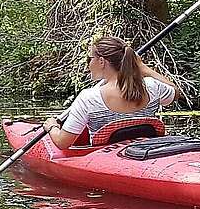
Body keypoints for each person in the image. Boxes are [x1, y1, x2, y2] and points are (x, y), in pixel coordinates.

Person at [42, 35, 179, 149]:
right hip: (147, 153)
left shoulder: (89, 98)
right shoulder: (152, 86)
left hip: (109, 162)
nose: (87, 63)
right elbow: (176, 93)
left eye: (89, 59)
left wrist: (52, 126)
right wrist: (144, 69)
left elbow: (62, 143)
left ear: (101, 61)